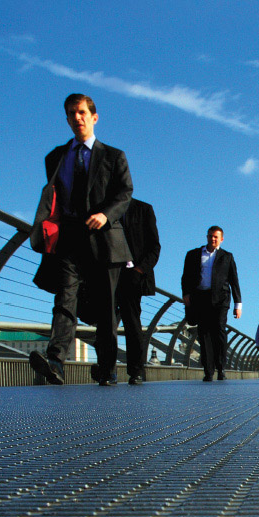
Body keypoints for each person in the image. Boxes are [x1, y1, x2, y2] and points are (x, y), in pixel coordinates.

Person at [30, 93, 134, 387]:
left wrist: (105, 214)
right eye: (71, 114)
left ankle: (107, 367)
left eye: (81, 112)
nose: (76, 118)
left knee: (105, 307)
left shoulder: (114, 156)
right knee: (65, 299)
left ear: (94, 116)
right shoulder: (55, 157)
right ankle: (55, 362)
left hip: (103, 239)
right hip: (69, 240)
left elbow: (125, 192)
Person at [181, 226, 242, 382]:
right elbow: (185, 276)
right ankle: (208, 371)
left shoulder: (227, 257)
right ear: (207, 237)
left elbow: (234, 281)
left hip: (221, 299)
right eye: (210, 236)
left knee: (219, 331)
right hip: (201, 298)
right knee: (204, 334)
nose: (213, 239)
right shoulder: (193, 254)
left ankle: (221, 367)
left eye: (216, 237)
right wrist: (186, 294)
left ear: (221, 239)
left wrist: (238, 304)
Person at [112, 197, 159, 385]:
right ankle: (107, 369)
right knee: (106, 322)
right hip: (108, 271)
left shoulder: (143, 209)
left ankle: (136, 371)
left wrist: (140, 270)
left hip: (132, 274)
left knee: (132, 322)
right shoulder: (103, 207)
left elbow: (155, 246)